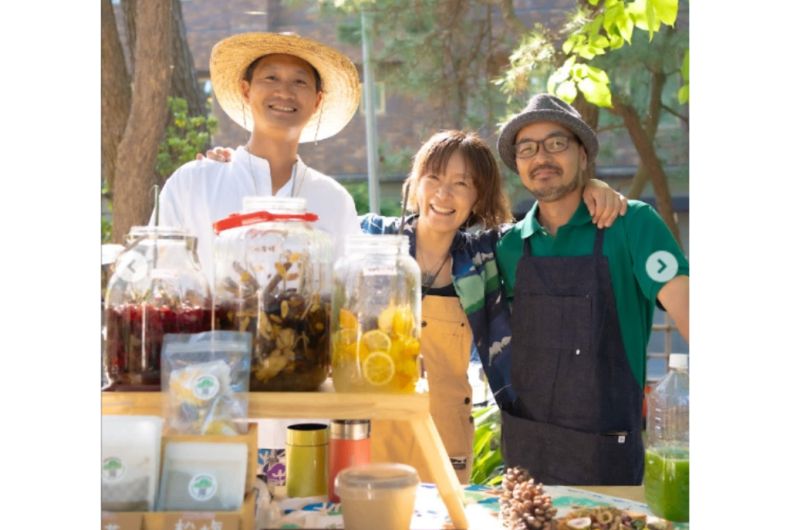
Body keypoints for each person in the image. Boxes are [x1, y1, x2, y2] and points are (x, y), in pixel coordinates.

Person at [358, 130, 627, 484]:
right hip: (367, 427)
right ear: (416, 182)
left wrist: (591, 186)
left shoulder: (484, 257)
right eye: (434, 178)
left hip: (445, 430)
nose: (443, 193)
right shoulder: (373, 237)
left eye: (461, 183)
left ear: (478, 198)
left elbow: (547, 223)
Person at [494, 93, 690, 485]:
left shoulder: (633, 224)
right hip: (526, 464)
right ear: (517, 164)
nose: (541, 157)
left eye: (556, 143)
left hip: (608, 460)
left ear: (583, 155)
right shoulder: (506, 246)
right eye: (527, 148)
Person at [154, 32, 362, 281]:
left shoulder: (334, 200)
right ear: (246, 90)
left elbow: (351, 297)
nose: (284, 91)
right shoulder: (193, 183)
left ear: (317, 101)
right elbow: (155, 280)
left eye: (300, 81)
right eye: (271, 77)